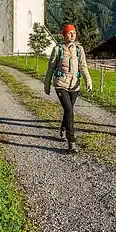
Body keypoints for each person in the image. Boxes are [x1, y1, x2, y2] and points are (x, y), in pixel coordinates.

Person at [44, 23, 93, 154]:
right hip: (61, 84)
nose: (72, 35)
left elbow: (83, 66)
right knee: (70, 111)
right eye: (70, 33)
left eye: (74, 33)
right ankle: (72, 142)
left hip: (75, 85)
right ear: (64, 35)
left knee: (68, 110)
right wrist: (47, 84)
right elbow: (51, 68)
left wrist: (88, 80)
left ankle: (63, 128)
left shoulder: (79, 49)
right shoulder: (58, 49)